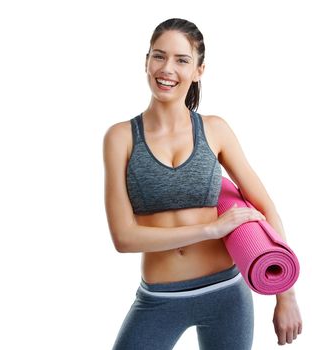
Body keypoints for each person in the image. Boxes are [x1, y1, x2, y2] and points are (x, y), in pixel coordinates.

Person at [103, 18, 302, 350]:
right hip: (159, 298)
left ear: (199, 70)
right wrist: (210, 230)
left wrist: (287, 294)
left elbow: (266, 210)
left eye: (182, 60)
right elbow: (123, 238)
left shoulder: (215, 130)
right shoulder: (120, 138)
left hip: (225, 295)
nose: (167, 68)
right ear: (146, 61)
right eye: (159, 56)